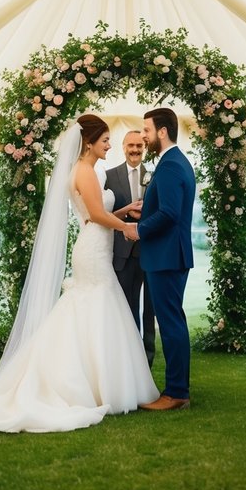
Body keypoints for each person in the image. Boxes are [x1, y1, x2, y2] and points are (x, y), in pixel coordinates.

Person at [0, 114, 159, 432]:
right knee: (93, 305)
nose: (108, 145)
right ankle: (87, 383)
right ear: (88, 142)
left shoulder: (84, 170)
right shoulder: (86, 171)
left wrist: (121, 212)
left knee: (93, 307)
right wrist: (126, 226)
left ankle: (98, 381)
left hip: (94, 243)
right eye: (104, 140)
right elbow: (97, 216)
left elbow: (92, 216)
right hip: (93, 250)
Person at [122, 107, 196, 412]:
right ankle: (177, 388)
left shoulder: (169, 166)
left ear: (162, 131)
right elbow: (165, 209)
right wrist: (146, 213)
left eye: (147, 130)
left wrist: (139, 229)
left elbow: (170, 214)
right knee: (172, 321)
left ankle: (176, 392)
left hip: (166, 256)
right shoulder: (174, 162)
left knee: (171, 324)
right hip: (168, 254)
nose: (143, 135)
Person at [104, 129, 156, 365]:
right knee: (127, 307)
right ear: (123, 147)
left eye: (139, 146)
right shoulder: (109, 176)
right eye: (130, 146)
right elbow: (103, 213)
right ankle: (130, 358)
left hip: (150, 249)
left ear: (144, 148)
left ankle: (148, 356)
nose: (135, 150)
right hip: (123, 253)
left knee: (150, 308)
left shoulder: (154, 174)